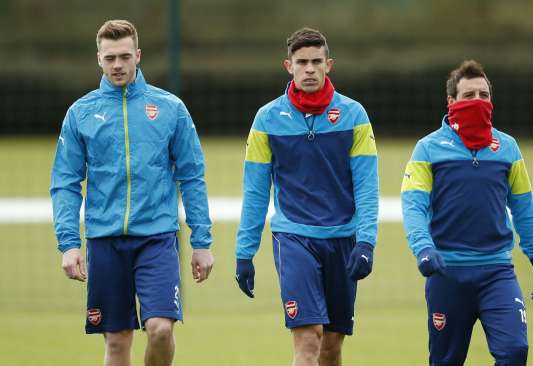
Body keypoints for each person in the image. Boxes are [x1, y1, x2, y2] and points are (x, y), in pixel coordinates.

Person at [50, 19, 214, 366]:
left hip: (157, 237)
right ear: (99, 59)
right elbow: (65, 181)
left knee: (160, 330)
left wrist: (202, 242)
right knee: (116, 341)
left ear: (138, 55)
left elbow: (193, 176)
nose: (118, 65)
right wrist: (68, 243)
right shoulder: (80, 113)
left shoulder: (170, 109)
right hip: (104, 239)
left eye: (125, 56)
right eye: (110, 58)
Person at [234, 27, 379, 366]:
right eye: (302, 62)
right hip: (294, 238)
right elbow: (255, 192)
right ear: (289, 66)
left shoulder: (354, 116)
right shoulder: (267, 119)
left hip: (343, 239)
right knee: (308, 337)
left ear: (329, 65)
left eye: (316, 61)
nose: (309, 69)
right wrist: (245, 252)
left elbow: (367, 186)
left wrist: (367, 242)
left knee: (331, 345)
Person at [401, 60, 533, 366]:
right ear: (452, 101)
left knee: (514, 352)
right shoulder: (428, 149)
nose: (478, 102)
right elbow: (413, 204)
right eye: (469, 95)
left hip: (497, 272)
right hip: (447, 274)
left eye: (484, 95)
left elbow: (525, 208)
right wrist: (423, 249)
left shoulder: (508, 148)